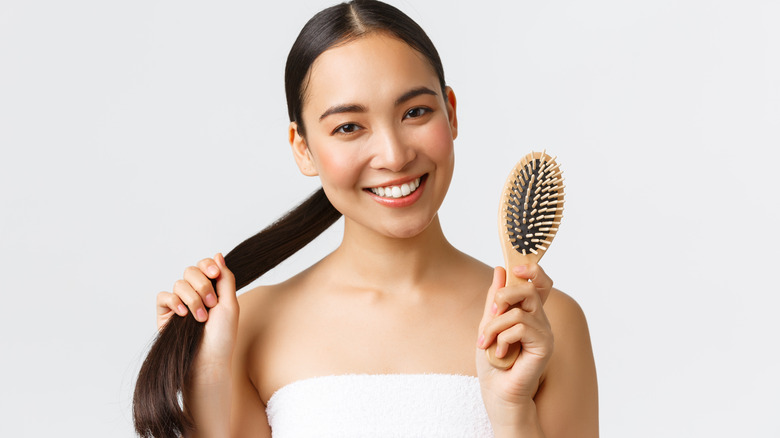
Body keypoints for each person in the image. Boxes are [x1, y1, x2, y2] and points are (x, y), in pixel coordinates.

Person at [134, 0, 598, 436]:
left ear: (451, 113)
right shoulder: (247, 327)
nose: (394, 156)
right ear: (303, 148)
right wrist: (206, 376)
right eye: (349, 127)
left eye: (415, 112)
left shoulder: (545, 325)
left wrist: (513, 411)